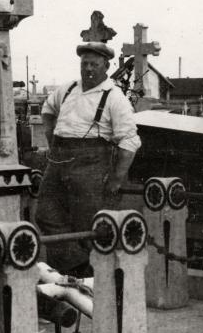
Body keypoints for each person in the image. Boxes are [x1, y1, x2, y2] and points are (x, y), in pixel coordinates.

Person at [34, 41, 141, 276]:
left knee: (87, 223)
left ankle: (87, 280)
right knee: (45, 213)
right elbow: (48, 110)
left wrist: (116, 179)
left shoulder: (114, 97)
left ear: (106, 66)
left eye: (94, 64)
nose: (89, 69)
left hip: (91, 164)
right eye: (85, 64)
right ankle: (73, 267)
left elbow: (129, 142)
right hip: (58, 162)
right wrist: (52, 141)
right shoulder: (68, 88)